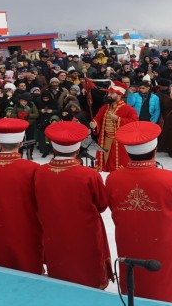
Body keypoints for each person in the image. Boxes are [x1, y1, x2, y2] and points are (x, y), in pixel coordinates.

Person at [106, 121, 172, 303]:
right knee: (165, 274)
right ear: (154, 150)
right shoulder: (171, 179)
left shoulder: (113, 178)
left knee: (135, 274)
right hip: (164, 237)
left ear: (127, 152)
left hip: (129, 236)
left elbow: (112, 204)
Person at [34, 121, 113, 288]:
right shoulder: (89, 174)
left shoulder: (40, 172)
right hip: (85, 228)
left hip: (53, 227)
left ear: (54, 148)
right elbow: (102, 204)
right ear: (78, 149)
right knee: (86, 260)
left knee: (61, 258)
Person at [0, 118, 43, 274]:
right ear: (21, 143)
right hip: (25, 225)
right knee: (27, 263)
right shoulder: (32, 168)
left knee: (0, 264)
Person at [90, 81, 139, 172]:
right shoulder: (104, 107)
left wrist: (118, 119)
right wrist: (95, 124)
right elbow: (97, 118)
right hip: (106, 139)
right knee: (105, 161)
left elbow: (134, 123)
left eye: (112, 93)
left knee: (120, 164)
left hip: (121, 141)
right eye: (109, 92)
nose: (109, 94)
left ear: (119, 95)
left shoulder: (129, 109)